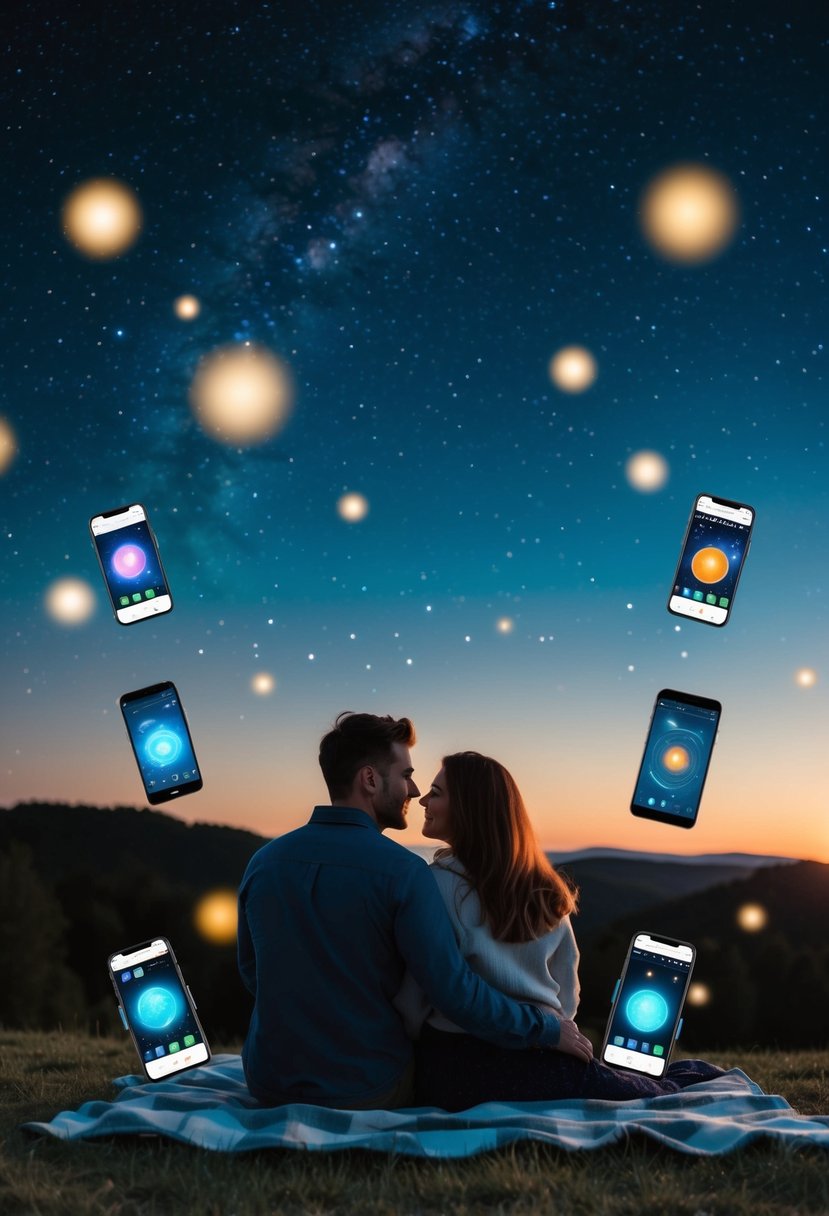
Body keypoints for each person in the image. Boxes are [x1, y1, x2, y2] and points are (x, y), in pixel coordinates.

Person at [236, 713, 593, 1110]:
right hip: (368, 1088)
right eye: (406, 774)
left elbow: (254, 973)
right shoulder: (405, 873)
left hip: (267, 1081)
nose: (415, 788)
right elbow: (454, 992)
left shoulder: (263, 863)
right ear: (370, 780)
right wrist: (544, 1027)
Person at [397, 751, 724, 1109]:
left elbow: (416, 994)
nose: (423, 800)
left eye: (436, 792)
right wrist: (553, 1033)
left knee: (652, 1092)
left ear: (469, 808)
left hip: (453, 1068)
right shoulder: (543, 889)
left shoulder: (430, 885)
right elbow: (567, 993)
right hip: (540, 1056)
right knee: (662, 1095)